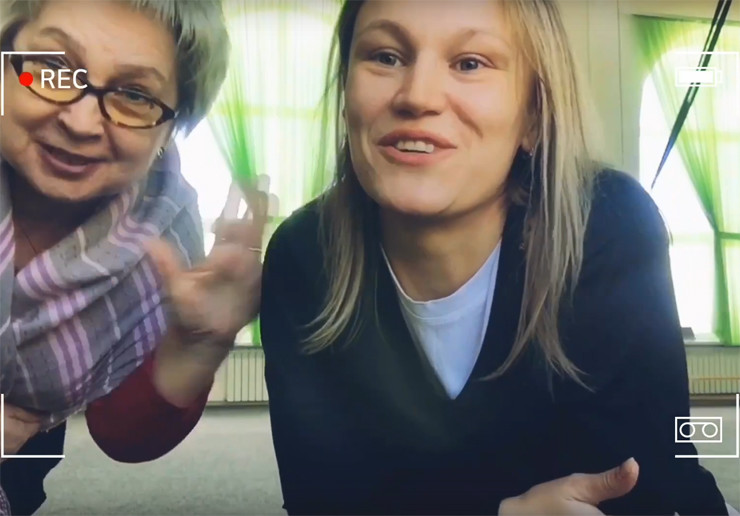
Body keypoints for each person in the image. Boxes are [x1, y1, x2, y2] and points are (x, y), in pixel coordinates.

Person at [259, 1, 728, 514]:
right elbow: (319, 501)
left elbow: (641, 487)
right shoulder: (302, 257)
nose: (417, 96)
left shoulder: (610, 224)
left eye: (470, 63)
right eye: (386, 56)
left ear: (533, 115)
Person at [0, 1, 265, 514]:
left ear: (170, 130)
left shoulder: (167, 237)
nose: (80, 120)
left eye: (135, 95)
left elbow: (123, 436)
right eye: (52, 67)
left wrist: (196, 345)